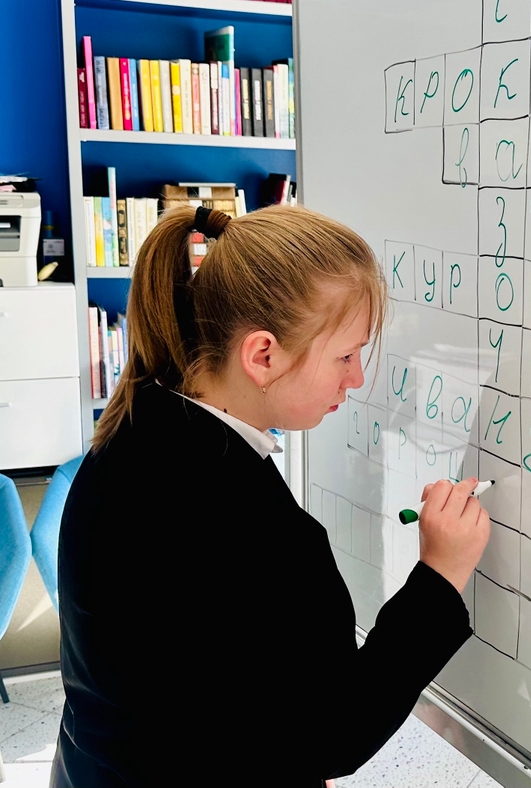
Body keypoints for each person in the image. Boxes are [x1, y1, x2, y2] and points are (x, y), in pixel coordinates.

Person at [54, 204, 490, 787]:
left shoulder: (131, 430)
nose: (357, 378)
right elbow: (332, 732)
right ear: (263, 355)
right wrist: (440, 576)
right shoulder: (250, 525)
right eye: (345, 355)